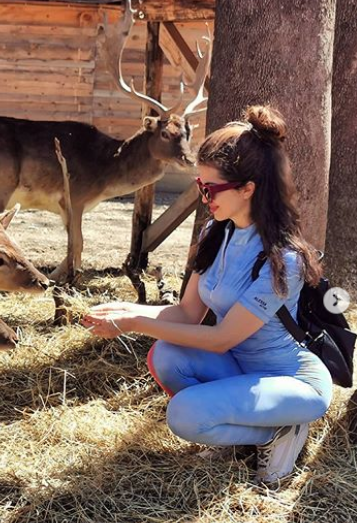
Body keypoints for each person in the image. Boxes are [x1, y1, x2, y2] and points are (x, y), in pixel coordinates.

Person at [81, 105, 332, 484]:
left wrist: (132, 322)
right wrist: (126, 308)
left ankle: (281, 430)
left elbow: (220, 339)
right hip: (240, 370)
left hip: (292, 383)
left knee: (184, 414)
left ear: (248, 188)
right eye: (200, 186)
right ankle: (241, 430)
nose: (204, 197)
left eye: (211, 188)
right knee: (166, 356)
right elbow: (186, 313)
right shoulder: (215, 233)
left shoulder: (285, 258)